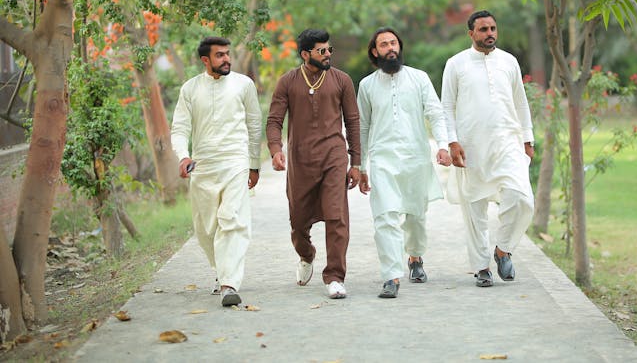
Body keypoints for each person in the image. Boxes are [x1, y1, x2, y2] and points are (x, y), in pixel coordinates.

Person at [441, 10, 535, 287]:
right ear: (471, 34)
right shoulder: (456, 64)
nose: (490, 33)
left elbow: (521, 102)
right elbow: (446, 106)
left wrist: (527, 140)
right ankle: (482, 266)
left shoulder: (509, 61)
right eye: (483, 29)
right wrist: (452, 141)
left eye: (493, 28)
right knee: (475, 210)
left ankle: (503, 248)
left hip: (508, 141)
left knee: (521, 198)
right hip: (471, 145)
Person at [357, 28, 452, 299]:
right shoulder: (367, 85)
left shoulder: (419, 78)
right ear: (375, 52)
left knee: (416, 216)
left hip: (416, 157)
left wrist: (443, 145)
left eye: (394, 43)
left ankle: (415, 257)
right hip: (383, 158)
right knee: (385, 216)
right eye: (384, 45)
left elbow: (435, 112)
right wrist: (362, 166)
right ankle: (391, 275)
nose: (390, 48)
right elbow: (362, 127)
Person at [266, 28, 361, 299]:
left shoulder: (342, 80)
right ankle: (306, 255)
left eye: (330, 49)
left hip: (334, 156)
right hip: (300, 160)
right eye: (322, 51)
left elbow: (353, 121)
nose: (328, 54)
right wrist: (275, 150)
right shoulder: (288, 82)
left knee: (336, 216)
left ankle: (334, 276)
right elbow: (274, 120)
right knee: (298, 221)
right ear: (306, 54)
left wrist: (356, 162)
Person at [171, 36, 262, 307]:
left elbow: (254, 124)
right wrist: (183, 156)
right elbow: (180, 128)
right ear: (205, 60)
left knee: (232, 219)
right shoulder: (190, 89)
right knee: (205, 228)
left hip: (235, 161)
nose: (226, 59)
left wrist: (254, 164)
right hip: (203, 165)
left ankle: (229, 284)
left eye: (227, 54)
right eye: (220, 55)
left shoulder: (244, 85)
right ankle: (221, 269)